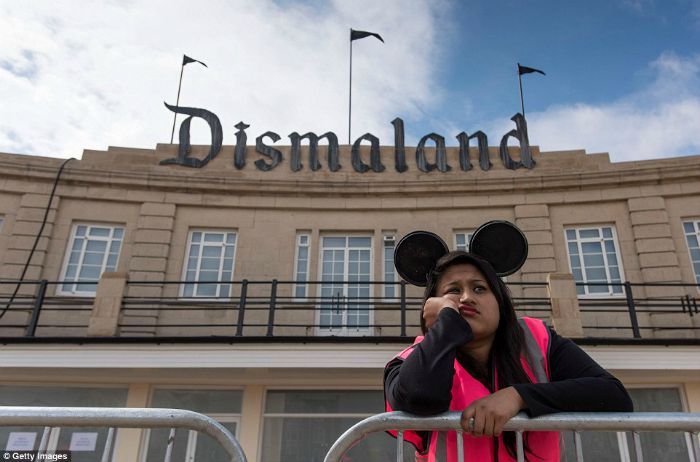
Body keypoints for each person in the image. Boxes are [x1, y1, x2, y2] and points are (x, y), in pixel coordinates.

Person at [384, 251, 633, 461]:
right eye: (453, 291)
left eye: (479, 288)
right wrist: (446, 322)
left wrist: (519, 397)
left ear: (499, 301)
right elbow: (421, 398)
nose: (467, 297)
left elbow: (614, 396)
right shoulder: (410, 360)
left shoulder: (538, 341)